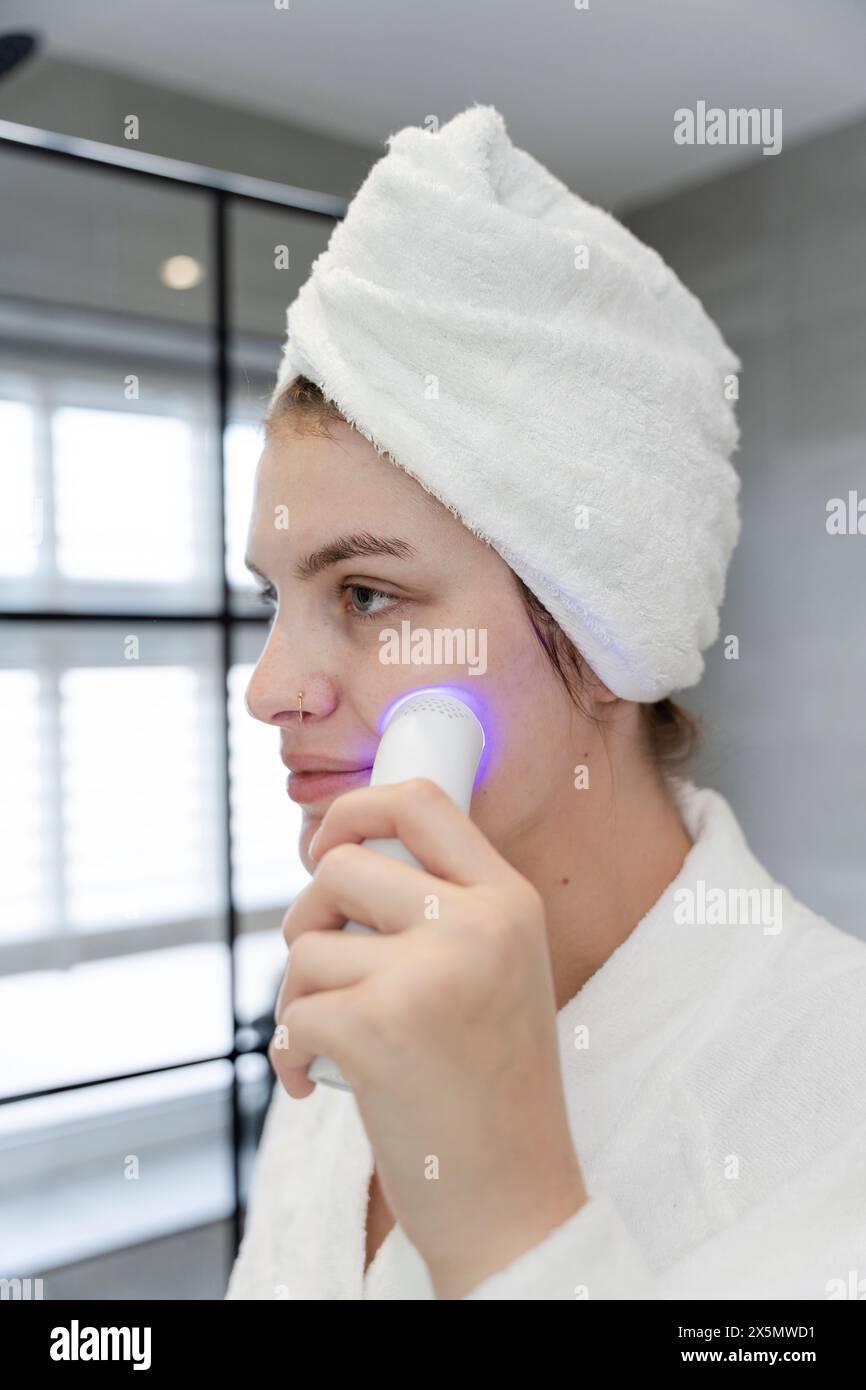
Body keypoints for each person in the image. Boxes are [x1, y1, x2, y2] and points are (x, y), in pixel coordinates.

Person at [225, 106, 866, 1300]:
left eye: (365, 593)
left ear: (599, 628)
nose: (268, 688)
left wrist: (514, 1223)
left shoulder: (839, 1100)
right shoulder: (361, 987)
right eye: (274, 595)